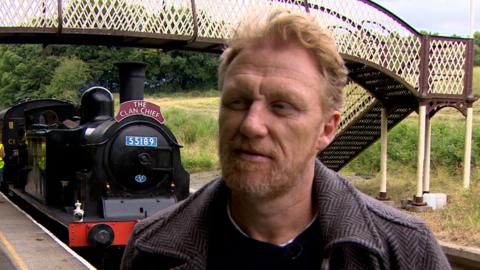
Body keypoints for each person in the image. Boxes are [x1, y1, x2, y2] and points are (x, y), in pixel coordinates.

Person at [121, 9, 450, 270]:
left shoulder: (406, 251)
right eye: (237, 102)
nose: (251, 125)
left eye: (282, 106)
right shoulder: (153, 247)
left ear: (326, 129)